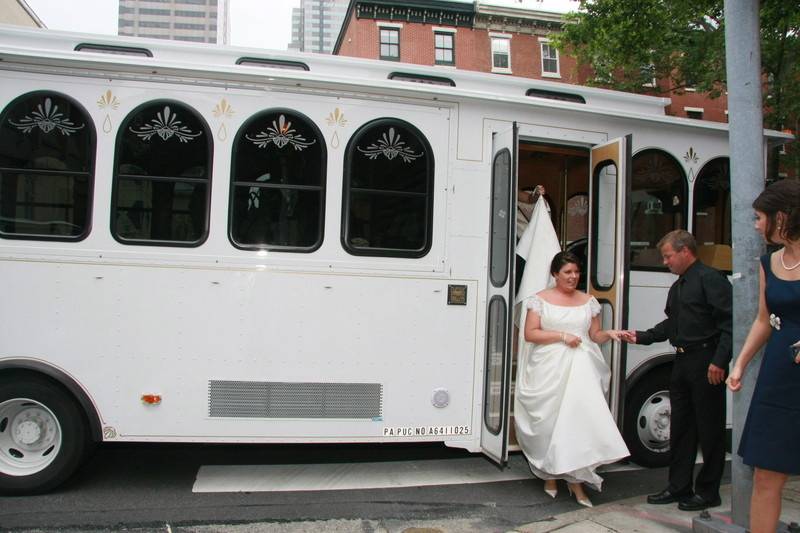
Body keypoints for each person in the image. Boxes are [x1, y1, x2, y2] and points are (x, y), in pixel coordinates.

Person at [623, 229, 732, 511]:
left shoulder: (712, 280)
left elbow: (729, 325)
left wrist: (719, 361)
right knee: (681, 427)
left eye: (668, 256)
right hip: (681, 362)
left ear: (685, 251)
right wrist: (641, 335)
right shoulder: (678, 286)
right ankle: (679, 486)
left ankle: (708, 491)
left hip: (706, 361)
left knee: (710, 430)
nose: (665, 262)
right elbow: (671, 326)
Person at [515, 251, 629, 508]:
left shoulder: (589, 301)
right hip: (548, 368)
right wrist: (561, 336)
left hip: (580, 368)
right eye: (567, 272)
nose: (573, 277)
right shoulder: (539, 300)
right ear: (555, 274)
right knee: (550, 423)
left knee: (576, 423)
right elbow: (531, 334)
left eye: (576, 272)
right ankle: (551, 474)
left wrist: (609, 333)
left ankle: (576, 479)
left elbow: (594, 335)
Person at [726, 179, 800, 533]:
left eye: (759, 217)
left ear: (782, 217)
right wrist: (739, 363)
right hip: (779, 375)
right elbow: (762, 320)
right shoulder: (768, 262)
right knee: (766, 473)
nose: (756, 225)